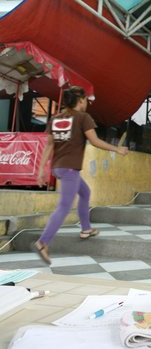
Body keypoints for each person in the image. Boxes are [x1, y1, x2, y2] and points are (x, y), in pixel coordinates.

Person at [34, 86, 128, 265]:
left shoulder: (56, 118)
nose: (86, 104)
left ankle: (86, 229)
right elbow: (95, 141)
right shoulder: (83, 118)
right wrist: (117, 149)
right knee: (64, 207)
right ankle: (42, 242)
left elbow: (48, 146)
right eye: (85, 100)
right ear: (81, 100)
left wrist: (41, 170)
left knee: (84, 193)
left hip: (59, 168)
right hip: (70, 169)